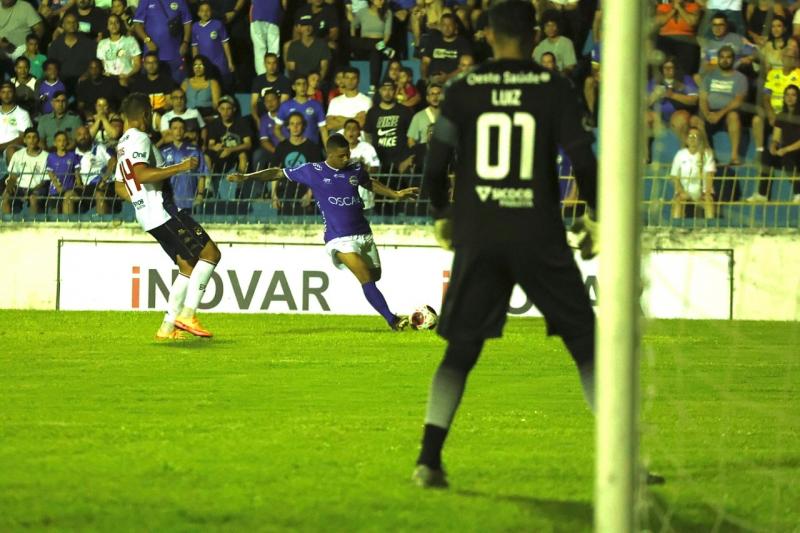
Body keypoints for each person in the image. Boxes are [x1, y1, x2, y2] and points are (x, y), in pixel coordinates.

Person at [413, 0, 600, 488]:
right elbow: (583, 159)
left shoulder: (461, 89)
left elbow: (435, 166)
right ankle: (629, 462)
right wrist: (595, 214)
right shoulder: (554, 87)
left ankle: (428, 461)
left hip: (480, 231)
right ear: (534, 35)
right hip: (538, 232)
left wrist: (442, 214)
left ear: (489, 36)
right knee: (587, 345)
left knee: (460, 352)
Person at [227, 133, 418, 328]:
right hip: (339, 238)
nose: (347, 159)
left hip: (363, 232)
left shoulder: (355, 169)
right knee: (365, 277)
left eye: (348, 155)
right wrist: (247, 177)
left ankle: (382, 305)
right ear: (330, 154)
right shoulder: (313, 171)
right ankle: (392, 320)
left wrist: (395, 194)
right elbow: (277, 173)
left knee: (374, 276)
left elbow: (369, 182)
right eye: (342, 156)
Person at [113, 92, 221, 340]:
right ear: (144, 115)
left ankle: (167, 327)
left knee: (187, 265)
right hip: (164, 211)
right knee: (211, 254)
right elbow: (140, 174)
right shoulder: (140, 138)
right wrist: (180, 167)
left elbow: (120, 185)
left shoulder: (122, 145)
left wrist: (140, 200)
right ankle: (188, 314)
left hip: (147, 216)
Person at [698, 45, 748, 165]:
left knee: (734, 117)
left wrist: (719, 114)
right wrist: (707, 114)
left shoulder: (740, 78)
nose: (725, 60)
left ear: (733, 59)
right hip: (711, 111)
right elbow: (703, 98)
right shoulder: (709, 76)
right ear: (718, 58)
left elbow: (738, 101)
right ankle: (710, 156)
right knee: (696, 120)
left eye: (728, 57)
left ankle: (734, 156)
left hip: (727, 113)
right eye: (722, 57)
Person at [268, 111, 324, 214]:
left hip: (305, 192)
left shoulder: (312, 147)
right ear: (288, 126)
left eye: (298, 123)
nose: (295, 127)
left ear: (303, 126)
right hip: (285, 193)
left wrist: (309, 194)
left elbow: (317, 174)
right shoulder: (282, 147)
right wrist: (274, 195)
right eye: (292, 124)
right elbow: (274, 173)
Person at [133, 0, 193, 83]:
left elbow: (187, 22)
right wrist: (148, 41)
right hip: (152, 55)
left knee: (176, 87)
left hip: (174, 54)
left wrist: (186, 42)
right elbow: (137, 25)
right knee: (150, 87)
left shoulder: (180, 1)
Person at [760, 83, 800, 202]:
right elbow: (776, 137)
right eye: (787, 95)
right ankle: (762, 194)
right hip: (785, 153)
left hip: (796, 153)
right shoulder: (781, 116)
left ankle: (798, 193)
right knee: (766, 154)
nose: (790, 97)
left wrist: (786, 149)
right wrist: (773, 146)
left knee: (787, 156)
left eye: (793, 95)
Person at [160, 117, 209, 211]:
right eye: (175, 128)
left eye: (181, 128)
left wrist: (200, 195)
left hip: (190, 199)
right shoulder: (163, 152)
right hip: (170, 200)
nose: (178, 131)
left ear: (185, 130)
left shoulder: (194, 150)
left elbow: (201, 174)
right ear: (170, 130)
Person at [647, 57, 699, 143]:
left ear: (675, 68)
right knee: (645, 118)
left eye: (671, 68)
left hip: (677, 113)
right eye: (665, 68)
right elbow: (643, 103)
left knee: (681, 120)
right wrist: (654, 95)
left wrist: (672, 95)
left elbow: (693, 100)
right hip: (657, 115)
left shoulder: (685, 79)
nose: (668, 70)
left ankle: (681, 151)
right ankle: (645, 153)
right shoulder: (655, 81)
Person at [364, 78, 412, 169]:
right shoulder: (372, 112)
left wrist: (408, 158)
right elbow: (367, 135)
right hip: (379, 160)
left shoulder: (404, 111)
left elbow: (411, 136)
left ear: (395, 91)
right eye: (384, 89)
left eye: (390, 89)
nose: (387, 93)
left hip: (401, 161)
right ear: (380, 91)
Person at [670, 126, 716, 219]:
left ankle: (711, 228)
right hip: (685, 191)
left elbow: (709, 175)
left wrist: (706, 193)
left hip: (702, 192)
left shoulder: (707, 154)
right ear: (686, 139)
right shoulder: (680, 154)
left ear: (700, 139)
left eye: (695, 136)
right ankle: (676, 227)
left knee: (708, 201)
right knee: (677, 200)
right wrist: (680, 191)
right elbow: (674, 176)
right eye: (690, 136)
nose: (692, 138)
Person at [46, 12, 98, 92]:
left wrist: (86, 75)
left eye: (74, 22)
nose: (72, 24)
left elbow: (93, 64)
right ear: (63, 25)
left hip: (83, 82)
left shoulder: (89, 44)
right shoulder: (55, 45)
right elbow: (51, 66)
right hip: (62, 83)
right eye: (68, 22)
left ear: (78, 25)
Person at [350, 0, 395, 91]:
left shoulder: (387, 13)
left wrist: (383, 44)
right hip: (364, 43)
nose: (381, 1)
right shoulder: (363, 12)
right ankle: (385, 50)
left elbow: (387, 33)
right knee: (371, 46)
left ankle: (373, 85)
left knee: (375, 52)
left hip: (379, 42)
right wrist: (354, 38)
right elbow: (353, 25)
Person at [2, 127, 48, 214]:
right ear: (24, 140)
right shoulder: (18, 155)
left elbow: (44, 181)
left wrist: (30, 191)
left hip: (38, 188)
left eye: (34, 137)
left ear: (38, 140)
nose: (32, 140)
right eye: (29, 137)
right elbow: (13, 175)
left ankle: (31, 225)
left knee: (33, 198)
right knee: (6, 196)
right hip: (19, 188)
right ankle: (7, 226)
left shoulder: (46, 156)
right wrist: (9, 187)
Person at [192, 1, 235, 91]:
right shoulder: (195, 27)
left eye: (207, 10)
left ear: (211, 12)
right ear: (198, 13)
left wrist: (230, 62)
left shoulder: (218, 24)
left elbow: (225, 44)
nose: (205, 13)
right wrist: (195, 65)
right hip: (205, 67)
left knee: (223, 89)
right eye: (202, 11)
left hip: (220, 65)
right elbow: (194, 47)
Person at [73, 125, 117, 214]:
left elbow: (113, 161)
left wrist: (104, 180)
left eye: (85, 134)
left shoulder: (100, 148)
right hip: (87, 188)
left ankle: (102, 225)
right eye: (79, 135)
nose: (83, 137)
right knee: (68, 197)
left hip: (106, 184)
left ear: (90, 135)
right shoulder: (74, 154)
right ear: (75, 138)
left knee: (99, 195)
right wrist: (78, 184)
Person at [274, 76, 328, 145]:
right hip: (291, 150)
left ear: (308, 86)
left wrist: (328, 151)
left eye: (304, 84)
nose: (302, 87)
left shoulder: (317, 105)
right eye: (298, 84)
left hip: (311, 148)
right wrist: (287, 143)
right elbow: (276, 129)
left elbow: (323, 130)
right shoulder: (285, 106)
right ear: (293, 87)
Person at [421, 12, 473, 84]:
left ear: (455, 26)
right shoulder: (433, 41)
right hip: (433, 81)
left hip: (454, 81)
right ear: (440, 26)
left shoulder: (463, 43)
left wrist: (448, 77)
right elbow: (425, 62)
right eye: (444, 25)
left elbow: (465, 66)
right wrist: (424, 78)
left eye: (450, 25)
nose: (446, 28)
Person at [343, 118, 380, 214]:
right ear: (344, 132)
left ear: (359, 133)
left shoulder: (367, 148)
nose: (351, 132)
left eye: (354, 129)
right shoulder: (338, 150)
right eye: (348, 129)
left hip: (366, 202)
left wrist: (363, 168)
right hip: (344, 203)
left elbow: (376, 169)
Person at [250, 52, 292, 130]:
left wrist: (275, 121)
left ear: (277, 64)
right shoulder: (258, 80)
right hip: (261, 116)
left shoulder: (284, 81)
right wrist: (257, 119)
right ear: (264, 64)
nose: (271, 66)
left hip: (279, 118)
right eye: (269, 63)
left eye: (274, 63)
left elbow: (283, 105)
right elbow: (253, 104)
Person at [97, 13, 142, 85]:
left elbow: (137, 65)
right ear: (107, 26)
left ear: (120, 24)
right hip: (108, 79)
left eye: (116, 22)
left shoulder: (130, 41)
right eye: (111, 23)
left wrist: (127, 76)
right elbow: (101, 65)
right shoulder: (102, 43)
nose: (114, 25)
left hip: (127, 78)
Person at [284, 15, 331, 80]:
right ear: (299, 28)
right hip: (299, 82)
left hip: (316, 82)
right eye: (304, 25)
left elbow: (324, 68)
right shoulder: (294, 46)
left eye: (310, 25)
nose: (307, 28)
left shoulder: (322, 45)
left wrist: (316, 82)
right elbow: (291, 69)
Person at [326, 66, 373, 132]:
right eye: (347, 78)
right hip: (339, 141)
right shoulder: (334, 101)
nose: (350, 81)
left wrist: (340, 119)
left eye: (353, 78)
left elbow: (362, 124)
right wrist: (355, 119)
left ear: (358, 80)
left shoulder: (367, 101)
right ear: (343, 80)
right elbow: (329, 125)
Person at [45, 130, 82, 214]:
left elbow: (76, 171)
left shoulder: (72, 155)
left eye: (64, 140)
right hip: (55, 191)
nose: (62, 143)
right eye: (59, 140)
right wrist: (57, 186)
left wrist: (79, 183)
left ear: (67, 142)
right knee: (55, 215)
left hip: (69, 189)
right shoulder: (51, 157)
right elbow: (51, 173)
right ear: (55, 143)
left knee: (68, 204)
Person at [532, 10, 577, 76]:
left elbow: (570, 66)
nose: (550, 29)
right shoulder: (541, 45)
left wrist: (559, 76)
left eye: (553, 25)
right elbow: (536, 66)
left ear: (558, 26)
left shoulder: (566, 43)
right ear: (543, 28)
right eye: (547, 26)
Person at [249, 0, 284, 75]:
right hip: (273, 12)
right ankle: (274, 76)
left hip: (257, 12)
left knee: (259, 49)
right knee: (274, 49)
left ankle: (262, 79)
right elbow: (284, 3)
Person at [0, 81, 32, 163]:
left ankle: (13, 176)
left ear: (14, 93)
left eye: (9, 92)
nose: (6, 95)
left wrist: (2, 146)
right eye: (3, 92)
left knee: (10, 150)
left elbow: (23, 138)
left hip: (14, 149)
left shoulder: (22, 113)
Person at [182, 56, 222, 120]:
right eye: (195, 65)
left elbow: (216, 104)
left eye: (201, 65)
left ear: (205, 67)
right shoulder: (186, 82)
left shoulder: (213, 83)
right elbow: (180, 100)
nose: (198, 68)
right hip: (188, 115)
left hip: (206, 114)